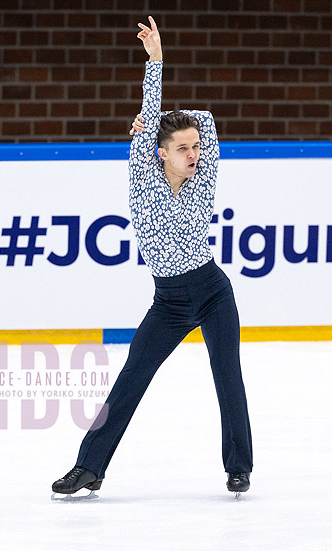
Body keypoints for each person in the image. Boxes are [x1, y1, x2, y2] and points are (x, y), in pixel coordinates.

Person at [52, 16, 253, 499]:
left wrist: (170, 121)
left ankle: (239, 466)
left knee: (228, 376)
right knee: (131, 378)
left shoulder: (204, 177)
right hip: (168, 302)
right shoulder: (143, 175)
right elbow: (155, 116)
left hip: (212, 290)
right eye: (181, 148)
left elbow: (204, 119)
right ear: (159, 153)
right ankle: (89, 466)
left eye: (194, 148)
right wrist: (155, 66)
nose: (193, 153)